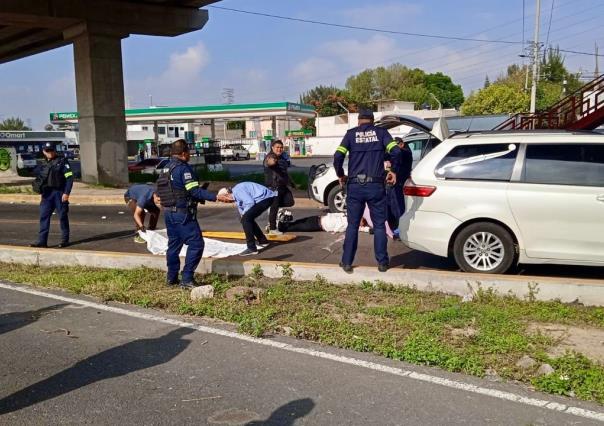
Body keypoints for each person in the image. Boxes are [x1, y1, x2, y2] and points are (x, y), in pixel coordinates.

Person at [333, 108, 401, 273]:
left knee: (352, 226)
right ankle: (382, 263)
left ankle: (347, 262)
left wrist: (341, 175)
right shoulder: (382, 133)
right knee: (378, 226)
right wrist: (393, 171)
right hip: (375, 186)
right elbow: (396, 151)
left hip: (355, 186)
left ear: (358, 121)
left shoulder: (350, 134)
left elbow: (337, 157)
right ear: (372, 120)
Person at [156, 139, 230, 289]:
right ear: (184, 153)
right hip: (182, 215)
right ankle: (187, 278)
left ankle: (171, 278)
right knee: (196, 244)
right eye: (188, 152)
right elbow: (193, 191)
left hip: (169, 214)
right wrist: (216, 197)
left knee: (174, 246)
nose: (189, 155)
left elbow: (163, 191)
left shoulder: (166, 168)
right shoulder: (183, 169)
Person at [30, 142, 74, 248]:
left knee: (62, 216)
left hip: (59, 193)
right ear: (44, 152)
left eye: (51, 150)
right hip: (47, 194)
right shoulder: (44, 164)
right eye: (47, 151)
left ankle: (65, 240)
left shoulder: (62, 162)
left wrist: (66, 193)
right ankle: (42, 241)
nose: (50, 153)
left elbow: (69, 178)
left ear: (54, 150)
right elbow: (40, 178)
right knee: (44, 217)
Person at [218, 182, 276, 256]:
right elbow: (241, 210)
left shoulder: (238, 190)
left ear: (226, 195)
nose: (224, 202)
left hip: (266, 198)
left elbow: (249, 203)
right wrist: (243, 216)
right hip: (264, 198)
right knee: (246, 219)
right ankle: (263, 241)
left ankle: (251, 248)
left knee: (246, 219)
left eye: (222, 200)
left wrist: (244, 216)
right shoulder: (236, 196)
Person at [263, 139, 294, 235]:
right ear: (272, 148)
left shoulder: (282, 159)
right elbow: (269, 162)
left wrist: (292, 183)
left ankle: (273, 210)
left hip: (282, 186)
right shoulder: (271, 156)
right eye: (277, 147)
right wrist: (272, 160)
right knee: (274, 207)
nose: (279, 149)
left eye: (281, 148)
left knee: (290, 201)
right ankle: (272, 228)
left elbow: (284, 173)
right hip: (274, 187)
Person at [388, 137, 413, 240]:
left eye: (395, 146)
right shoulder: (402, 152)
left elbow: (397, 154)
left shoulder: (405, 152)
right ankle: (391, 227)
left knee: (398, 207)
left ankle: (399, 230)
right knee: (392, 206)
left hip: (399, 183)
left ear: (401, 144)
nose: (394, 150)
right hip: (395, 182)